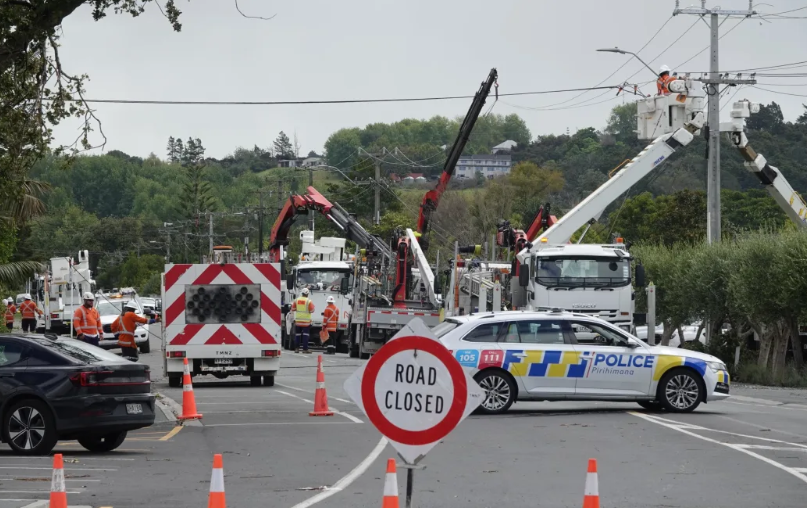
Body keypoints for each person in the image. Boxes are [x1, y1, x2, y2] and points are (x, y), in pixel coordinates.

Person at [292, 288, 315, 354]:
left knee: (297, 335)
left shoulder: (296, 300)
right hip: (306, 322)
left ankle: (296, 349)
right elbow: (312, 310)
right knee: (305, 336)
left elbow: (293, 309)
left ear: (302, 293)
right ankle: (305, 349)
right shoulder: (309, 301)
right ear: (307, 294)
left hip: (298, 321)